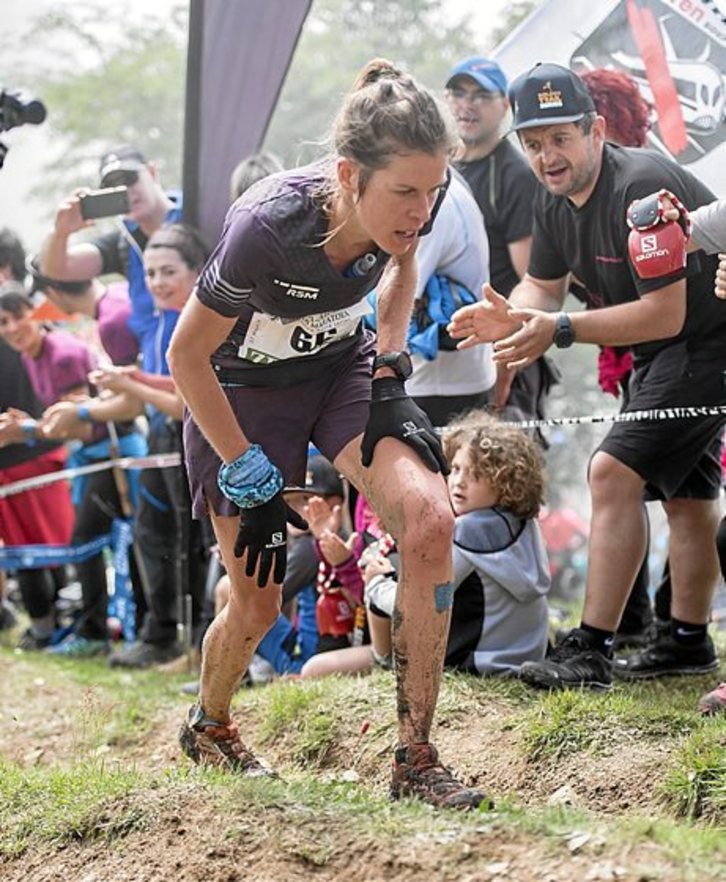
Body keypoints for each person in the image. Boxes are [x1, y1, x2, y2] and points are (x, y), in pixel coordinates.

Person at [168, 58, 487, 809]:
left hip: (343, 368)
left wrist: (391, 364)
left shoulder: (421, 193)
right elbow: (185, 355)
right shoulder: (268, 226)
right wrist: (244, 468)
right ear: (349, 175)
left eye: (433, 191)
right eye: (404, 193)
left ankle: (415, 758)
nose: (421, 210)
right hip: (240, 393)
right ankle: (210, 723)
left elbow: (404, 267)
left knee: (430, 521)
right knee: (258, 603)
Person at [448, 62, 725, 691]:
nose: (547, 156)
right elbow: (542, 286)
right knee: (688, 495)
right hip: (669, 347)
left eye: (560, 138)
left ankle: (592, 650)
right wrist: (514, 315)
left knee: (610, 471)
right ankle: (686, 640)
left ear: (596, 130)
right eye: (533, 143)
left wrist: (560, 329)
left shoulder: (642, 187)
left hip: (706, 339)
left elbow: (665, 311)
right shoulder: (552, 201)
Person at [44, 224, 211, 668]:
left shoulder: (191, 318)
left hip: (191, 440)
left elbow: (184, 403)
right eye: (149, 273)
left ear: (196, 271)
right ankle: (167, 639)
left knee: (191, 544)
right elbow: (169, 385)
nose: (156, 282)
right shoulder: (157, 315)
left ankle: (198, 647)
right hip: (161, 436)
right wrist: (133, 378)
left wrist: (122, 389)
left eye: (168, 272)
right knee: (153, 536)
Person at [302, 412, 551, 679]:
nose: (459, 481)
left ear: (506, 481)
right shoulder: (525, 525)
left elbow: (422, 604)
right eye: (456, 469)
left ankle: (385, 663)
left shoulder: (466, 533)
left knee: (314, 669)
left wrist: (377, 583)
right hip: (525, 656)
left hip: (475, 665)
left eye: (476, 474)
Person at [444, 56, 559, 427]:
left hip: (501, 350)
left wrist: (506, 351)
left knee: (497, 456)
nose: (467, 105)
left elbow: (535, 281)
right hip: (445, 348)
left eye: (480, 96)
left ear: (505, 106)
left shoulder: (515, 175)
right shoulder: (438, 166)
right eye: (458, 93)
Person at [366, 169, 494, 427]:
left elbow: (397, 295)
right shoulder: (444, 186)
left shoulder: (433, 208)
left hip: (435, 384)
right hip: (451, 377)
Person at [39, 144, 182, 359]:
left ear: (152, 172)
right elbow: (56, 269)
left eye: (130, 178)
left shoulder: (199, 214)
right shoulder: (124, 243)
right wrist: (60, 232)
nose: (126, 191)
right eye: (113, 185)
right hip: (160, 372)